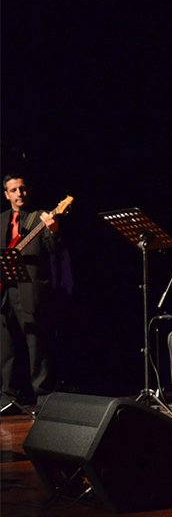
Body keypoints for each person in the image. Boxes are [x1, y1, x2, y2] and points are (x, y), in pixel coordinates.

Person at [1, 173, 64, 414]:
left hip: (30, 291)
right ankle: (9, 397)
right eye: (14, 190)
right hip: (4, 292)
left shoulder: (41, 217)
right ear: (6, 194)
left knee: (36, 345)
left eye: (23, 189)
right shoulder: (1, 220)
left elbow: (54, 249)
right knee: (5, 349)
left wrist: (54, 230)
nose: (19, 194)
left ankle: (44, 396)